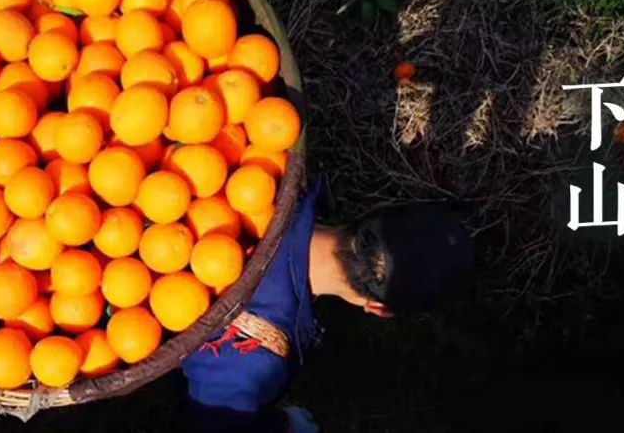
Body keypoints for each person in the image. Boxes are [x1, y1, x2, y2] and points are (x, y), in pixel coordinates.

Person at [178, 177, 474, 432]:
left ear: (374, 209)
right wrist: (282, 427)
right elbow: (217, 425)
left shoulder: (271, 182)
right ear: (378, 309)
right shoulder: (249, 362)